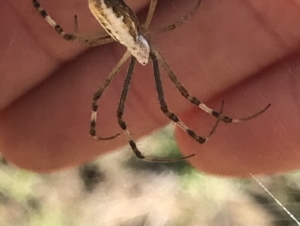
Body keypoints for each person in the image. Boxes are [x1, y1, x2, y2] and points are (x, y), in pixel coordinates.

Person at [0, 0, 299, 176]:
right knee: (165, 98)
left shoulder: (138, 48)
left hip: (114, 24)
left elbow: (96, 98)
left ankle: (222, 122)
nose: (144, 60)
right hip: (114, 19)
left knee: (116, 102)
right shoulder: (151, 35)